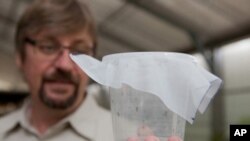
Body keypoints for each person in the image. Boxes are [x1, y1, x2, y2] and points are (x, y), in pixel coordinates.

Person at [0, 0, 181, 141]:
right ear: (20, 57)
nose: (65, 65)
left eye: (80, 51)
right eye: (48, 47)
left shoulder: (130, 136)